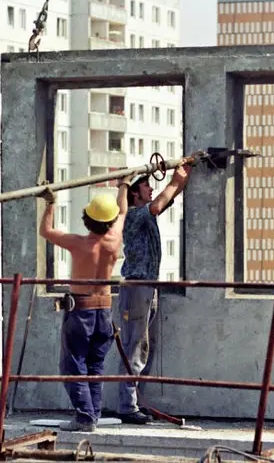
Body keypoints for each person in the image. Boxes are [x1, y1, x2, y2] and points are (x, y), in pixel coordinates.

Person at [38, 177, 130, 432]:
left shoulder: (78, 243)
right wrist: (124, 185)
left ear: (87, 219)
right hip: (104, 311)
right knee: (95, 366)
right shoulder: (114, 241)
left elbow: (45, 231)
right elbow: (122, 210)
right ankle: (92, 416)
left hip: (81, 311)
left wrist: (50, 203)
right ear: (109, 221)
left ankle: (85, 417)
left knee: (74, 364)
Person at [116, 164, 192, 424]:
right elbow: (159, 203)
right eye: (146, 186)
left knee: (143, 346)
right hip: (137, 286)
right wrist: (173, 179)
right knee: (135, 346)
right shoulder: (135, 214)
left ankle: (134, 401)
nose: (151, 189)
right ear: (135, 193)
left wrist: (184, 174)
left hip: (147, 285)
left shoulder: (143, 216)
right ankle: (127, 406)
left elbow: (167, 198)